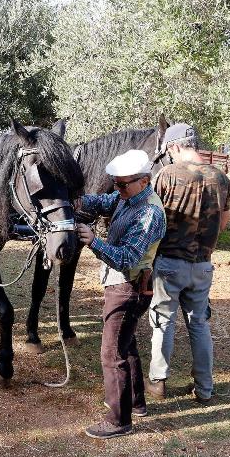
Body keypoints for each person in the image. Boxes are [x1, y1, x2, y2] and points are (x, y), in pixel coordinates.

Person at [75, 150, 166, 440]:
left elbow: (127, 257)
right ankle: (136, 403)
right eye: (115, 183)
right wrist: (76, 200)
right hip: (125, 286)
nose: (117, 189)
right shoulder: (128, 196)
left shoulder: (149, 213)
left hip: (128, 288)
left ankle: (118, 420)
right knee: (126, 345)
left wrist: (94, 242)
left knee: (111, 353)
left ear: (144, 181)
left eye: (122, 184)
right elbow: (103, 202)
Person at [145, 123, 230, 405]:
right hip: (203, 265)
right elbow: (224, 219)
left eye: (169, 150)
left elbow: (152, 218)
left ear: (175, 146)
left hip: (169, 263)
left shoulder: (167, 175)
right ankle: (205, 388)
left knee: (163, 322)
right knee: (199, 324)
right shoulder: (221, 178)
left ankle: (158, 381)